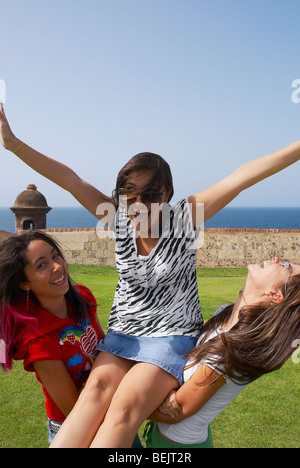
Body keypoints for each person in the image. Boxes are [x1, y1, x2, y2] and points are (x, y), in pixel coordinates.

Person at [0, 102, 299, 447]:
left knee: (124, 409)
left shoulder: (184, 220)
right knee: (94, 393)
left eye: (152, 194)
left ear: (168, 194)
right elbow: (71, 180)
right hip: (125, 332)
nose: (139, 203)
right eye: (129, 193)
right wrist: (14, 144)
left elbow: (242, 177)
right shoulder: (118, 219)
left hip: (171, 337)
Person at [146, 257, 300, 448]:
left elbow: (180, 410)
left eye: (285, 266)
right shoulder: (225, 315)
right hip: (167, 437)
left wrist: (128, 409)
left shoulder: (232, 348)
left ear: (275, 294)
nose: (277, 259)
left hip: (178, 445)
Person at [0, 231, 104, 444]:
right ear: (24, 283)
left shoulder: (82, 297)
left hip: (105, 408)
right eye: (41, 265)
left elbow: (105, 349)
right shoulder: (38, 340)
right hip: (73, 427)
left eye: (55, 256)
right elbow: (74, 407)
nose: (57, 266)